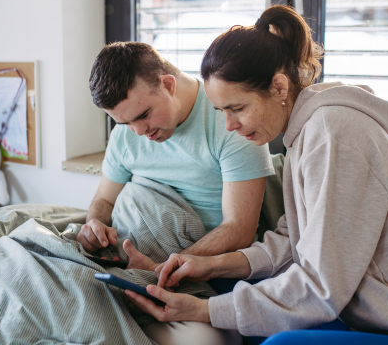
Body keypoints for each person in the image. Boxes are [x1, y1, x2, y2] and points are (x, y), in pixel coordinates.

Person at [124, 5, 388, 345]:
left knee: (280, 341)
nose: (229, 125)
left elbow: (320, 285)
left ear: (280, 88)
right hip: (377, 312)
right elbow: (295, 240)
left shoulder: (334, 132)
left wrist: (203, 310)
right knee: (236, 296)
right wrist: (212, 264)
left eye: (237, 108)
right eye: (221, 111)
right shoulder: (305, 133)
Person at [80, 42, 274, 344]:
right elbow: (104, 201)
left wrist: (166, 267)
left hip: (195, 275)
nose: (138, 132)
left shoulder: (232, 122)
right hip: (125, 265)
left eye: (143, 115)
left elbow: (239, 230)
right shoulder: (127, 135)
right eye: (124, 122)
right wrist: (93, 226)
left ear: (168, 84)